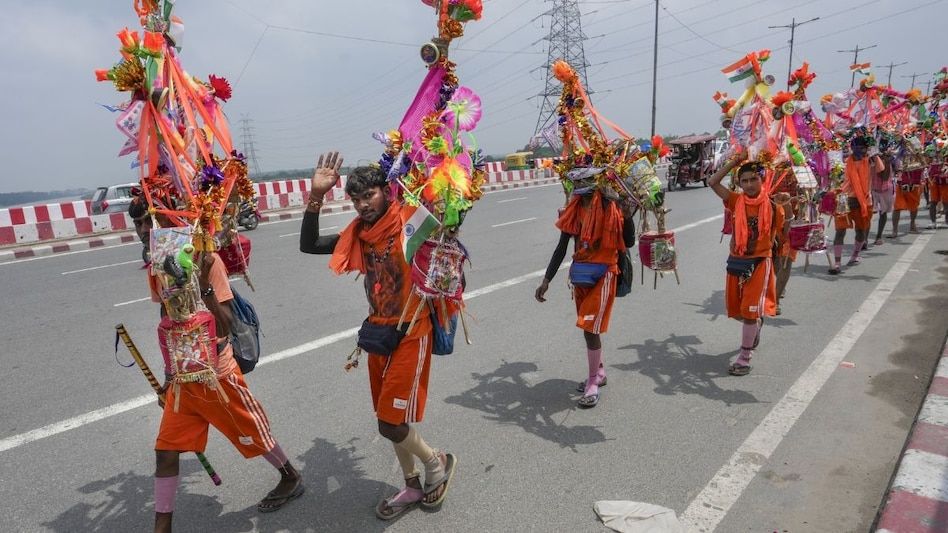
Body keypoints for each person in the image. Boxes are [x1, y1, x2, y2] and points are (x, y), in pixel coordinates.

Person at [129, 198, 303, 533]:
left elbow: (223, 326)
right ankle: (161, 528)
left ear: (169, 220)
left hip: (217, 371)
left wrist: (205, 281)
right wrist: (168, 374)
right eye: (138, 225)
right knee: (166, 451)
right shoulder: (158, 263)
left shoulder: (206, 260)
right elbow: (166, 313)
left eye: (148, 222)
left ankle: (290, 475)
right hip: (182, 378)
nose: (143, 231)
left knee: (254, 435)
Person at [298, 152, 456, 520]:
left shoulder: (411, 224)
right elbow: (309, 244)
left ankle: (436, 463)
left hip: (412, 332)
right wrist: (316, 195)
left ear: (387, 191)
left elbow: (448, 216)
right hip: (378, 336)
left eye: (369, 195)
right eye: (355, 199)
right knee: (389, 419)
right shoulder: (359, 234)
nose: (362, 205)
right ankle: (412, 482)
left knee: (389, 422)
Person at [534, 175, 636, 408]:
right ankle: (599, 372)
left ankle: (592, 383)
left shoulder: (611, 206)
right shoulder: (575, 209)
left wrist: (627, 214)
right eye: (576, 181)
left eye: (584, 180)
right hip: (580, 274)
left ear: (597, 181)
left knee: (590, 327)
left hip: (605, 273)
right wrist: (546, 279)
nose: (578, 185)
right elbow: (562, 247)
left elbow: (628, 242)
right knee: (587, 327)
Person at [709, 155, 790, 376]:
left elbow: (786, 231)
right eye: (744, 180)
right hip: (736, 261)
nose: (749, 185)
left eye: (753, 179)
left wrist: (787, 204)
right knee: (737, 311)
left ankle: (744, 357)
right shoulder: (736, 200)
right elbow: (712, 182)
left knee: (749, 311)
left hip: (759, 263)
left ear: (762, 180)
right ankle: (755, 325)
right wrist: (736, 161)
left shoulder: (774, 205)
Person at [828, 137, 883, 275]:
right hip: (843, 199)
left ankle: (855, 255)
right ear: (852, 148)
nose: (862, 150)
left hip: (864, 201)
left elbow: (883, 173)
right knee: (840, 231)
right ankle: (837, 262)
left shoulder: (871, 160)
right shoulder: (843, 162)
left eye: (865, 147)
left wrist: (876, 155)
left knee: (861, 231)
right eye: (859, 147)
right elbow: (833, 179)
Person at [890, 144, 924, 237]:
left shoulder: (920, 158)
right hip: (901, 184)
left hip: (915, 185)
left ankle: (912, 224)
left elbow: (925, 165)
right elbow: (896, 167)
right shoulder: (900, 155)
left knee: (914, 207)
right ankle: (895, 231)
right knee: (897, 208)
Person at [870, 146, 896, 245]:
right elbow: (883, 176)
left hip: (886, 189)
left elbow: (885, 177)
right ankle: (865, 238)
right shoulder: (872, 159)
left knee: (883, 212)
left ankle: (878, 236)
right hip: (873, 189)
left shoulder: (886, 159)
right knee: (869, 214)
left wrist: (889, 161)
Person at [926, 150, 948, 229]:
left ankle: (947, 219)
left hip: (944, 183)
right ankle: (933, 222)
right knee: (933, 202)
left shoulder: (946, 160)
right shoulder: (932, 159)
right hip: (934, 182)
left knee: (946, 202)